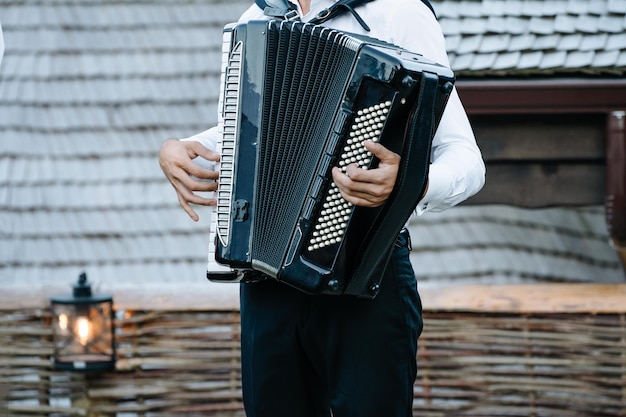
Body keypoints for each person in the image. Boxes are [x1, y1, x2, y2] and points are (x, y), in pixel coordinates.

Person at [159, 1, 485, 416]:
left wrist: (410, 184)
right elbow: (253, 124)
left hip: (365, 273)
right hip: (265, 282)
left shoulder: (398, 13)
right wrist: (179, 150)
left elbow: (466, 159)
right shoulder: (256, 20)